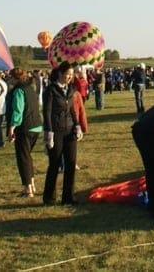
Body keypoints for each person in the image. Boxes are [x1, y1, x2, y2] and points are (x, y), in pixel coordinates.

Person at [42, 61, 89, 206]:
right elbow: (47, 112)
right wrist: (49, 132)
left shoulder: (70, 90)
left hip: (70, 130)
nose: (69, 77)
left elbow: (72, 110)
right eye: (67, 74)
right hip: (56, 131)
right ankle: (49, 197)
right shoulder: (51, 90)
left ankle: (68, 196)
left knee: (71, 163)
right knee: (54, 164)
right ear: (60, 73)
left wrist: (77, 125)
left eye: (71, 75)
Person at [6, 68, 42, 198]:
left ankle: (28, 188)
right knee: (27, 156)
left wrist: (12, 128)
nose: (9, 80)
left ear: (15, 79)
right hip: (36, 126)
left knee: (23, 158)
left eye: (10, 78)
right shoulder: (30, 88)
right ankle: (32, 184)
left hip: (25, 127)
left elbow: (18, 110)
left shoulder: (19, 91)